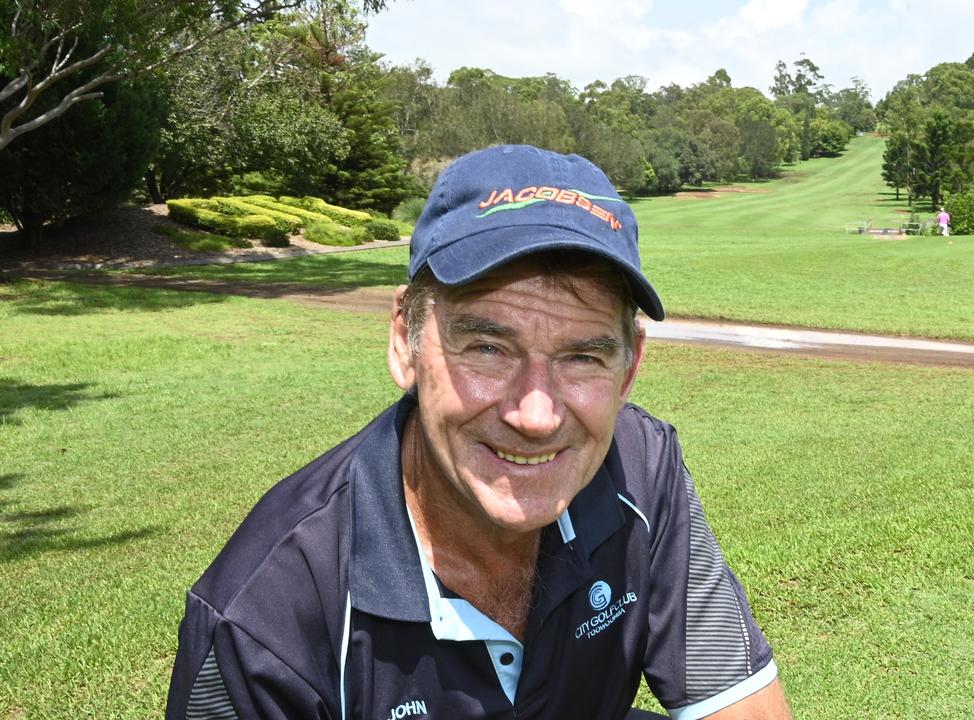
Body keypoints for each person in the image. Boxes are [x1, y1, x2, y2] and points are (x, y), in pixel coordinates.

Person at [165, 145, 791, 720]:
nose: (536, 415)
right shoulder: (265, 617)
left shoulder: (642, 467)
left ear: (630, 368)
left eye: (582, 357)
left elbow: (738, 700)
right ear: (404, 342)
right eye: (488, 347)